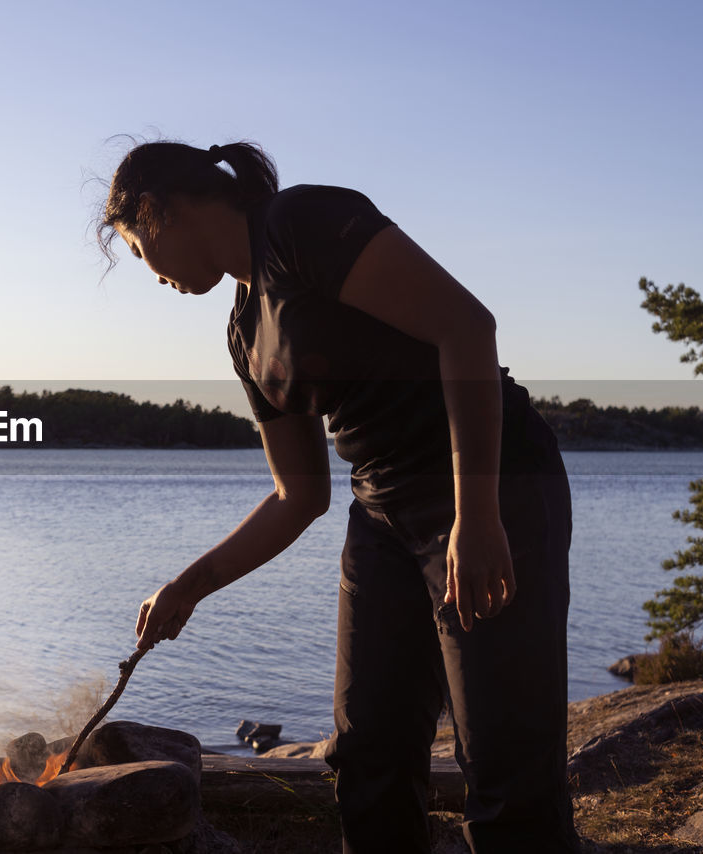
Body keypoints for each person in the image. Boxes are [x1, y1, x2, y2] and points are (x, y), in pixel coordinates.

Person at [97, 140, 581, 854]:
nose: (151, 273)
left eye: (139, 251)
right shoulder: (243, 332)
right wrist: (189, 586)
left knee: (506, 771)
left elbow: (466, 328)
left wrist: (476, 517)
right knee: (367, 761)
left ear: (158, 209)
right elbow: (299, 494)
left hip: (492, 487)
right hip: (380, 515)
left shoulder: (302, 223)